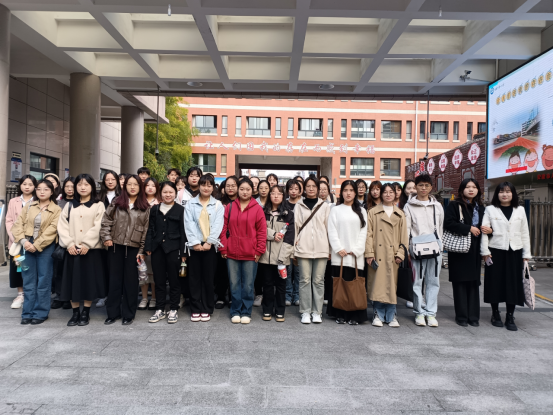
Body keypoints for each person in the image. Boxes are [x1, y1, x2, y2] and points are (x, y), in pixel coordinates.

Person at [100, 175, 150, 326]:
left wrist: (141, 251)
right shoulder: (116, 202)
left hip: (134, 249)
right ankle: (112, 313)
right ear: (124, 186)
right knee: (114, 281)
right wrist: (106, 237)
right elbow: (106, 221)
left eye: (136, 184)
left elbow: (146, 231)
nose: (132, 187)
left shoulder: (145, 206)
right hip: (115, 246)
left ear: (140, 187)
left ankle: (128, 314)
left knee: (131, 283)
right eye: (129, 184)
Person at [481, 182, 531, 332]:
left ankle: (510, 316)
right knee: (495, 283)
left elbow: (524, 232)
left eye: (508, 191)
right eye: (501, 191)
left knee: (513, 284)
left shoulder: (520, 210)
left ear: (513, 194)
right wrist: (485, 252)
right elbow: (484, 231)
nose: (505, 194)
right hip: (495, 251)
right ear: (497, 194)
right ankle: (495, 313)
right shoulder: (490, 209)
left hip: (514, 251)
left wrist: (526, 254)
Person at [58, 174, 107, 327]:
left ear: (92, 186)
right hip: (72, 250)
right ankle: (75, 313)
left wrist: (86, 244)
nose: (83, 187)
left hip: (90, 250)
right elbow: (62, 226)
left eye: (86, 184)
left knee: (88, 281)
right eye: (79, 184)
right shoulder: (69, 205)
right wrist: (69, 244)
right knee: (71, 281)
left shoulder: (98, 205)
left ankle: (85, 311)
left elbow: (99, 225)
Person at [11, 180, 61, 325]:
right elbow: (17, 225)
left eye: (46, 189)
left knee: (44, 279)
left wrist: (36, 245)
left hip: (46, 247)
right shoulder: (28, 206)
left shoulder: (57, 210)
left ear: (52, 191)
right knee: (28, 279)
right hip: (26, 244)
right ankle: (27, 312)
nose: (42, 192)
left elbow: (52, 230)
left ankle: (40, 312)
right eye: (39, 189)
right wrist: (24, 242)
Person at [220, 178, 267, 325]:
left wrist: (259, 250)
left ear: (252, 190)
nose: (244, 192)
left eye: (248, 189)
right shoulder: (230, 207)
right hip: (231, 252)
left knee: (248, 285)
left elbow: (262, 231)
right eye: (242, 189)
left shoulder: (257, 208)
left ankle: (246, 311)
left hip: (250, 253)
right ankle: (235, 311)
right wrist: (223, 247)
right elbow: (223, 228)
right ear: (237, 190)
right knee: (234, 283)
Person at [365, 183, 409, 328]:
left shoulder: (400, 213)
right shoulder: (372, 212)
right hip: (378, 254)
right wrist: (369, 253)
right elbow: (368, 234)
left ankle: (391, 315)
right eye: (385, 192)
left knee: (391, 285)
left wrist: (401, 253)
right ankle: (377, 313)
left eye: (391, 192)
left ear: (396, 194)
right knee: (378, 285)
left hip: (393, 255)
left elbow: (404, 237)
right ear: (381, 194)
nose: (388, 194)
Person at [403, 174, 444, 328]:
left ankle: (431, 313)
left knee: (434, 281)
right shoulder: (409, 206)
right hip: (416, 248)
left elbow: (440, 227)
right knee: (417, 282)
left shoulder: (437, 206)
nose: (424, 188)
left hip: (435, 248)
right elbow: (407, 229)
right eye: (421, 185)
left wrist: (440, 245)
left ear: (431, 187)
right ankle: (419, 312)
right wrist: (407, 249)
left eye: (427, 185)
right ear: (416, 187)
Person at [444, 179, 486, 327]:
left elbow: (487, 226)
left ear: (478, 190)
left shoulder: (481, 208)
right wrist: (469, 228)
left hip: (475, 250)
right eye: (467, 187)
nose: (471, 189)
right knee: (460, 283)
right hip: (459, 250)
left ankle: (473, 317)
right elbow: (448, 223)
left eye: (474, 187)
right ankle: (461, 316)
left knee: (473, 283)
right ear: (462, 189)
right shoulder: (455, 205)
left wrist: (489, 230)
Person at [145, 181, 187, 324]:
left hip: (174, 249)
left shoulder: (181, 210)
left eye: (170, 192)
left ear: (175, 193)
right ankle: (160, 309)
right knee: (159, 280)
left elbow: (183, 232)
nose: (168, 195)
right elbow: (150, 229)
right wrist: (148, 247)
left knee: (175, 280)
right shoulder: (154, 209)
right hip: (157, 249)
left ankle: (174, 308)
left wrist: (183, 253)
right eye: (165, 192)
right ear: (160, 193)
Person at [327, 180, 368, 325]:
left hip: (356, 256)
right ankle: (340, 314)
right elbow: (331, 230)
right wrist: (338, 248)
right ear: (341, 192)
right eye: (345, 190)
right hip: (340, 256)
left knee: (355, 286)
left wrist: (357, 249)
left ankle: (355, 315)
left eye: (351, 190)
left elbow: (364, 232)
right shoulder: (335, 210)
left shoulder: (362, 211)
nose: (348, 193)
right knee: (340, 286)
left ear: (355, 192)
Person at [184, 175, 225, 323]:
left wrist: (210, 242)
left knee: (208, 278)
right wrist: (195, 242)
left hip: (210, 247)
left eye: (209, 185)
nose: (206, 188)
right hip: (194, 246)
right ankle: (195, 308)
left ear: (213, 187)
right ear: (199, 186)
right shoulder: (190, 203)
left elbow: (218, 225)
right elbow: (188, 223)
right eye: (203, 185)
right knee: (194, 278)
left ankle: (207, 308)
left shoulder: (218, 205)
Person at [294, 177, 331, 325]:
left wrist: (329, 249)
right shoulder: (299, 205)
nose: (311, 189)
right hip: (303, 248)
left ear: (318, 188)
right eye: (308, 186)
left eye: (313, 186)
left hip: (322, 248)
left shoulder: (325, 206)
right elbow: (296, 227)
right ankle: (305, 311)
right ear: (304, 188)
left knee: (318, 281)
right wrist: (294, 248)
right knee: (304, 280)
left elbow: (328, 228)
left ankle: (317, 312)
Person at [259, 185, 295, 322]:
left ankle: (280, 311)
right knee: (267, 284)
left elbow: (290, 238)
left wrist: (282, 258)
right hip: (265, 256)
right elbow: (259, 230)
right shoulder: (263, 212)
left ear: (283, 196)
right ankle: (267, 309)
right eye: (273, 193)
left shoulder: (288, 214)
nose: (275, 196)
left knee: (281, 286)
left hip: (282, 257)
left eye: (279, 193)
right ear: (269, 195)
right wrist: (273, 234)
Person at [6, 175, 37, 309]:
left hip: (32, 241)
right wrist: (15, 238)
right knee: (18, 267)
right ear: (20, 185)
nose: (27, 187)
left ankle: (32, 293)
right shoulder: (14, 201)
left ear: (34, 186)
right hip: (17, 242)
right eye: (24, 184)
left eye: (30, 184)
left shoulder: (37, 200)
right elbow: (9, 221)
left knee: (31, 267)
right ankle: (20, 294)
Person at [95, 170, 120, 309]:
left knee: (115, 268)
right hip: (101, 236)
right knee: (102, 267)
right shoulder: (98, 197)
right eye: (107, 179)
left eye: (113, 179)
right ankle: (103, 295)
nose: (110, 182)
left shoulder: (122, 196)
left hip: (118, 236)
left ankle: (116, 295)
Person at [51, 176, 76, 310]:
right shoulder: (57, 203)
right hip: (59, 241)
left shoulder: (80, 202)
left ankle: (69, 297)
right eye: (67, 186)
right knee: (59, 270)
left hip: (76, 241)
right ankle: (59, 296)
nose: (69, 189)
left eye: (72, 186)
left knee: (72, 271)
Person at [215, 176, 239, 309]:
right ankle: (220, 296)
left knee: (235, 271)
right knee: (222, 270)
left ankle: (232, 297)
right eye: (228, 186)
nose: (230, 188)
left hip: (236, 240)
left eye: (233, 185)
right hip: (221, 239)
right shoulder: (219, 202)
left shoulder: (241, 202)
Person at [138, 178, 161, 311]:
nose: (150, 188)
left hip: (153, 241)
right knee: (142, 270)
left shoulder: (160, 202)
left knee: (153, 271)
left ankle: (154, 298)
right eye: (147, 185)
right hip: (139, 239)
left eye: (153, 185)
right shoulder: (139, 201)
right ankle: (144, 298)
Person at [398, 179, 417, 309]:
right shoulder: (401, 205)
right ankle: (409, 296)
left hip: (419, 242)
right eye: (408, 188)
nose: (411, 190)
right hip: (406, 241)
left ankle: (418, 296)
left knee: (419, 272)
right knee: (409, 270)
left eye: (413, 188)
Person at [285, 180, 303, 307]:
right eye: (291, 189)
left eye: (296, 189)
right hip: (286, 242)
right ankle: (288, 295)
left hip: (300, 242)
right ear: (287, 190)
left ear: (300, 191)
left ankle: (297, 295)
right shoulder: (284, 204)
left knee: (298, 271)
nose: (293, 191)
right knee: (287, 270)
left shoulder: (303, 205)